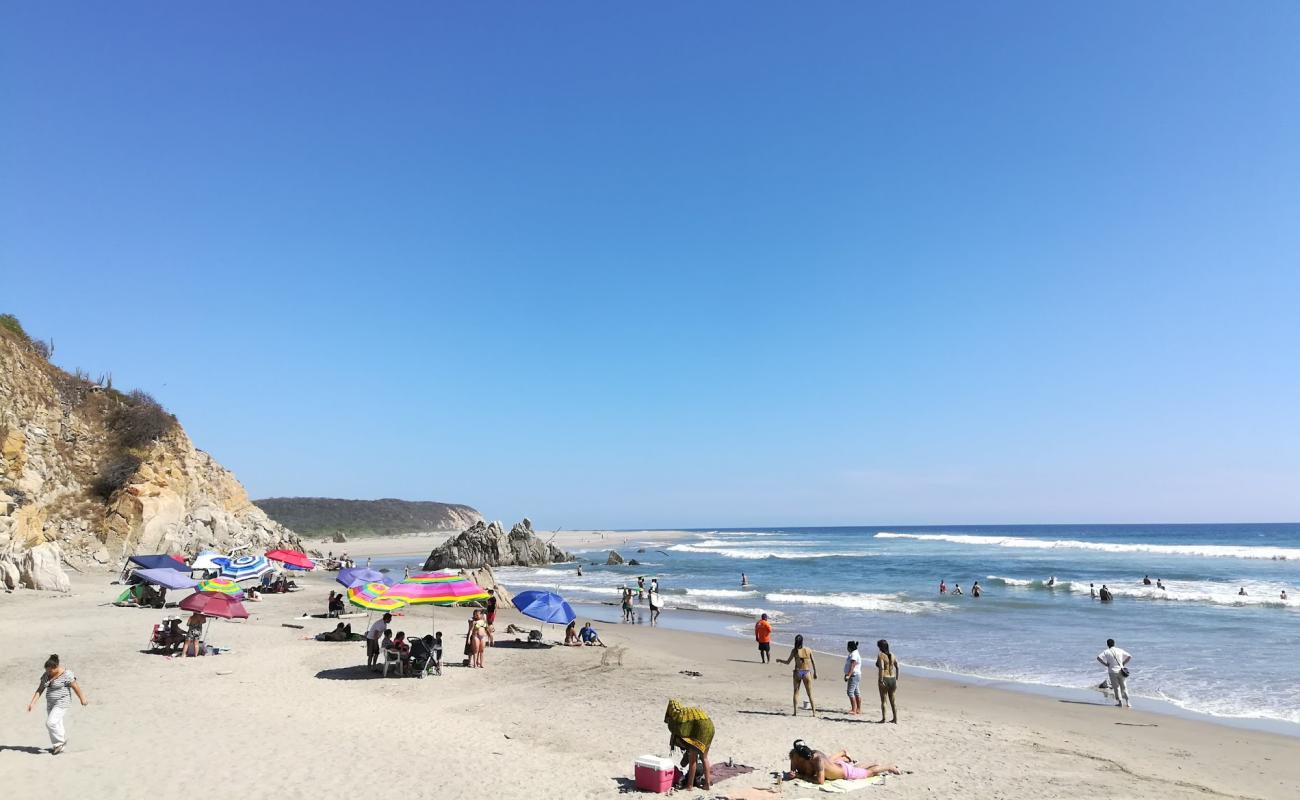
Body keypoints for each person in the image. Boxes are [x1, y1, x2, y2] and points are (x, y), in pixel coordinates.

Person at [27, 654, 87, 755]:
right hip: (51, 703)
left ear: (57, 667)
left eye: (50, 671)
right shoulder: (46, 675)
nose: (48, 672)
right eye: (47, 670)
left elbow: (75, 687)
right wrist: (32, 703)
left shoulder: (66, 674)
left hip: (62, 702)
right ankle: (58, 745)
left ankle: (60, 743)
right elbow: (40, 689)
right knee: (57, 723)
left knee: (50, 723)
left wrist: (82, 699)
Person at [784, 740, 900, 784]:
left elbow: (820, 781)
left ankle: (889, 767)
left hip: (845, 772)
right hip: (836, 766)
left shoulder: (817, 759)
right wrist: (793, 774)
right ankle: (871, 762)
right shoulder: (794, 756)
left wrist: (799, 776)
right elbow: (793, 770)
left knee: (869, 773)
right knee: (858, 767)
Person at [665, 699, 714, 790]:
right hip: (710, 726)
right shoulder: (685, 713)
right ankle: (707, 784)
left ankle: (689, 786)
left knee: (692, 760)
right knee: (704, 757)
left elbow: (682, 733)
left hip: (700, 730)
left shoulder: (680, 718)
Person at [778, 634, 817, 716]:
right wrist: (815, 672)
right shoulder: (808, 649)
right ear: (802, 641)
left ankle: (795, 712)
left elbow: (788, 662)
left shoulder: (794, 651)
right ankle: (814, 713)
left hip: (798, 672)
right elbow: (813, 662)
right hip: (806, 672)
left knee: (796, 692)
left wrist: (780, 660)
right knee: (810, 694)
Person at [1097, 638, 1132, 708]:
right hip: (1121, 671)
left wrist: (1105, 664)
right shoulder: (1120, 650)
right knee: (1124, 686)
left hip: (1112, 671)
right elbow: (1129, 656)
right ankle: (1128, 702)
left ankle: (1120, 702)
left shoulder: (1106, 651)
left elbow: (1098, 658)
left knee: (1116, 687)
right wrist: (1123, 663)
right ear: (1114, 643)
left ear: (1107, 644)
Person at [876, 639, 899, 723]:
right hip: (892, 678)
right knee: (893, 700)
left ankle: (884, 719)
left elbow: (881, 667)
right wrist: (897, 678)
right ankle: (895, 718)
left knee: (884, 700)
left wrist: (881, 679)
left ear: (880, 647)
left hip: (885, 678)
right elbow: (898, 666)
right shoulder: (892, 654)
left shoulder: (881, 655)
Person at [844, 641, 862, 715]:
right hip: (856, 675)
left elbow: (853, 665)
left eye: (847, 647)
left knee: (850, 692)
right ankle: (858, 709)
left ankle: (854, 709)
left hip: (854, 675)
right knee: (856, 692)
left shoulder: (854, 654)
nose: (847, 648)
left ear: (850, 647)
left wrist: (848, 675)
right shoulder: (854, 652)